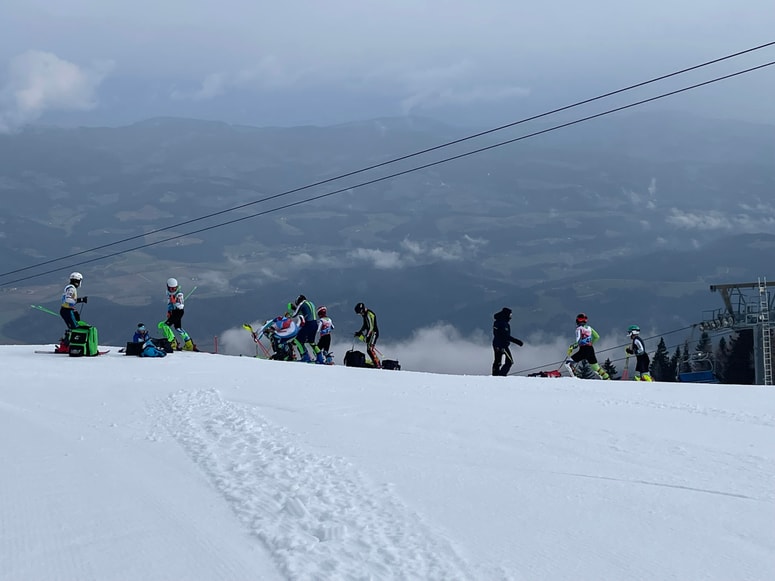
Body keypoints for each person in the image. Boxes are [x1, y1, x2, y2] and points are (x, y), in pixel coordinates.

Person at [157, 277, 197, 351]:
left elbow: (181, 305)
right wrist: (169, 311)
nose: (173, 290)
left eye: (174, 288)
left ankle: (173, 342)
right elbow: (169, 303)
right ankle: (189, 344)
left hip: (178, 312)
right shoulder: (170, 294)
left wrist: (174, 301)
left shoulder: (179, 294)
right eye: (172, 288)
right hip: (174, 312)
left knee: (165, 325)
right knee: (178, 328)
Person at [567, 313, 610, 380]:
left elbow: (578, 341)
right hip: (590, 349)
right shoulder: (589, 328)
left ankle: (574, 377)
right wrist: (590, 343)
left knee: (568, 363)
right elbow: (597, 337)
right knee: (595, 367)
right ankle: (607, 378)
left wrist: (572, 347)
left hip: (583, 349)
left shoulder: (579, 329)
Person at [57, 271, 87, 352]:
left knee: (72, 327)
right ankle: (65, 346)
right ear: (78, 281)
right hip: (67, 311)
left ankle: (65, 345)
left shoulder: (69, 287)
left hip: (66, 310)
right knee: (74, 328)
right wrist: (79, 300)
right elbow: (68, 299)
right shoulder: (71, 289)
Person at [291, 295, 325, 363]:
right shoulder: (311, 303)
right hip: (315, 324)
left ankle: (305, 357)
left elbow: (294, 314)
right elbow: (307, 313)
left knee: (298, 340)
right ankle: (320, 358)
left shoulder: (302, 303)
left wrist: (293, 308)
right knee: (311, 342)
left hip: (308, 324)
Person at [491, 307, 524, 376]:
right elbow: (505, 336)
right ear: (506, 315)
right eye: (510, 315)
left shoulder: (497, 321)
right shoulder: (503, 323)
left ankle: (495, 375)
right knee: (509, 361)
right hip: (502, 345)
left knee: (497, 361)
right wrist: (517, 342)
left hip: (496, 344)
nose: (511, 317)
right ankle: (501, 375)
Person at [354, 302, 380, 368]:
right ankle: (376, 363)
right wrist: (360, 332)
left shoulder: (368, 314)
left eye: (360, 312)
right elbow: (365, 325)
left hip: (373, 333)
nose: (360, 314)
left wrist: (367, 335)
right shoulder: (365, 315)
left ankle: (377, 364)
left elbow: (371, 327)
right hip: (371, 333)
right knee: (369, 349)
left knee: (370, 349)